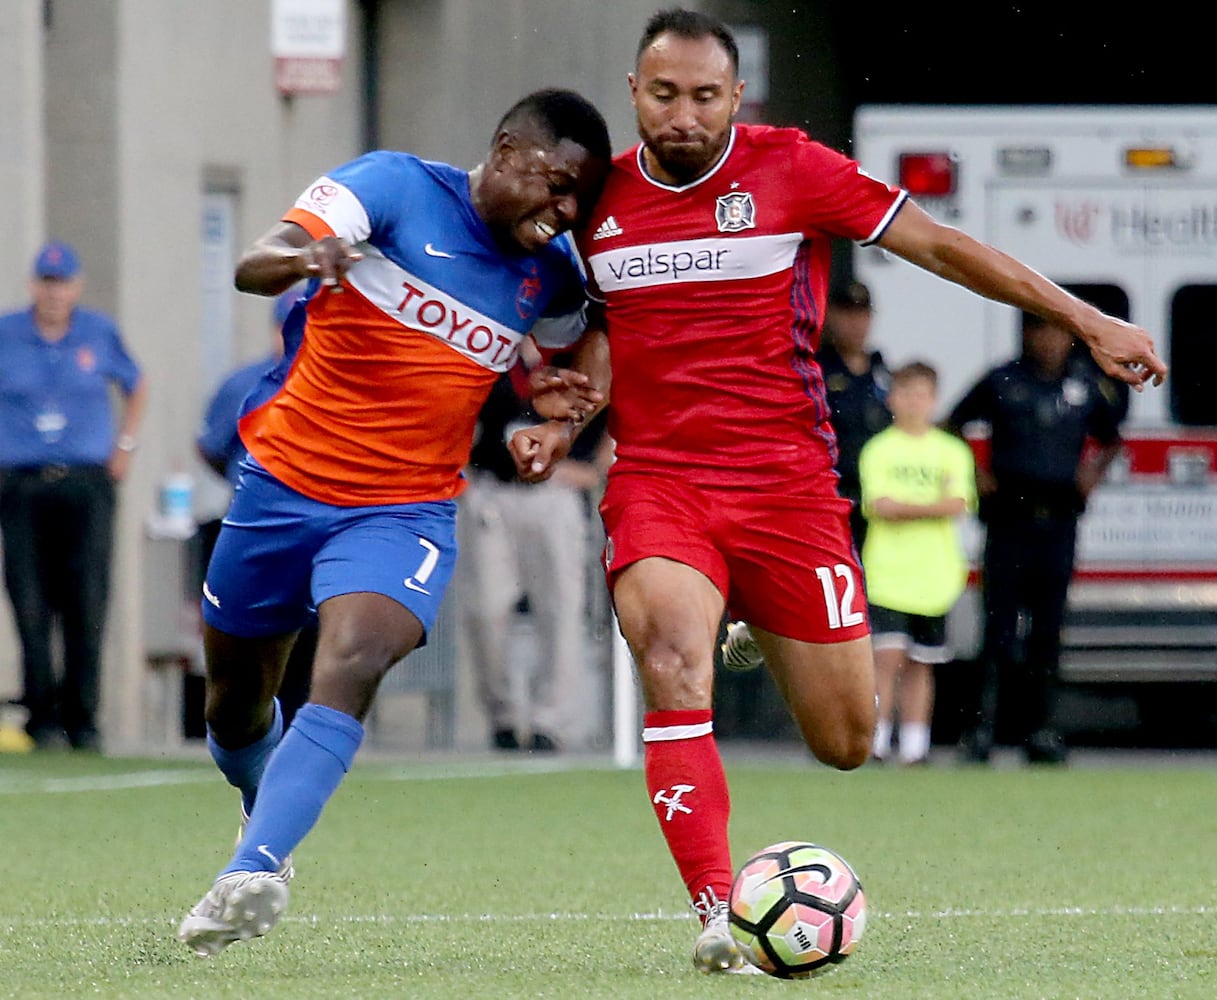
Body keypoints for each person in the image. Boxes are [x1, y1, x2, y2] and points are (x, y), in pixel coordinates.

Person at [509, 8, 1165, 975]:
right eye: (661, 95)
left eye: (702, 96)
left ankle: (748, 610)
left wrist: (1083, 317)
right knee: (670, 662)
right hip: (662, 483)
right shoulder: (600, 204)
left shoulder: (791, 168)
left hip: (788, 489)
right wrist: (563, 412)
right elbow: (599, 337)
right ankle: (712, 913)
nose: (681, 115)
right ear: (634, 96)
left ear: (736, 97)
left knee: (847, 741)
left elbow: (938, 244)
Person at [176, 88, 611, 958]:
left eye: (579, 200)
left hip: (404, 507)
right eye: (556, 185)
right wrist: (312, 258)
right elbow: (256, 260)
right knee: (232, 707)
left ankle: (253, 867)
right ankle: (262, 805)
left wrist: (560, 417)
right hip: (281, 485)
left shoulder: (550, 272)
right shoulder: (390, 186)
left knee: (355, 655)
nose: (564, 211)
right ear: (505, 150)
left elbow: (595, 331)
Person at [948, 313, 1127, 765]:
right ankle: (982, 729)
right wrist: (976, 472)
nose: (1048, 340)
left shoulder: (1086, 385)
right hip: (1009, 521)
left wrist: (1091, 474)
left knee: (1047, 632)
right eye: (1039, 330)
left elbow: (1110, 438)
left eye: (1056, 331)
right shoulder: (1003, 380)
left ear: (1069, 336)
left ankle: (1041, 731)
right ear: (1026, 333)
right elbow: (954, 423)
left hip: (1059, 524)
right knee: (999, 632)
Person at [0, 241, 148, 752]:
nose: (53, 292)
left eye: (62, 283)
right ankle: (41, 717)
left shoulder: (98, 333)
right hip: (21, 482)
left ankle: (83, 718)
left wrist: (124, 445)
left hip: (85, 480)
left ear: (76, 287)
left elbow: (136, 382)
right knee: (29, 598)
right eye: (45, 282)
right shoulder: (7, 334)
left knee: (86, 597)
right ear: (32, 285)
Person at [461, 346, 611, 752]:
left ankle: (551, 720)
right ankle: (503, 716)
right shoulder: (495, 343)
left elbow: (613, 408)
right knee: (486, 608)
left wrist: (595, 468)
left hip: (555, 490)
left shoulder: (577, 345)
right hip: (495, 486)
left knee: (560, 607)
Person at [195, 285, 313, 727]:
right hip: (259, 524)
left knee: (307, 641)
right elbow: (211, 446)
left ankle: (298, 727)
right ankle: (247, 728)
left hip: (317, 526)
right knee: (248, 639)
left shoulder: (338, 384)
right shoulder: (246, 383)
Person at [858, 361, 975, 765]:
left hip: (935, 576)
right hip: (888, 573)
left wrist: (907, 506)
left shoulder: (952, 450)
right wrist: (931, 505)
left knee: (922, 663)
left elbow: (958, 503)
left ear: (934, 400)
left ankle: (914, 746)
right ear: (892, 399)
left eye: (922, 394)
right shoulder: (879, 449)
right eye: (905, 394)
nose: (913, 402)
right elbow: (880, 505)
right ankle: (875, 739)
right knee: (885, 659)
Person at [818, 279, 892, 553]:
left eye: (862, 314)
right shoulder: (817, 368)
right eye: (847, 313)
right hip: (836, 495)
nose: (856, 323)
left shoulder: (882, 371)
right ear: (832, 315)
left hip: (878, 501)